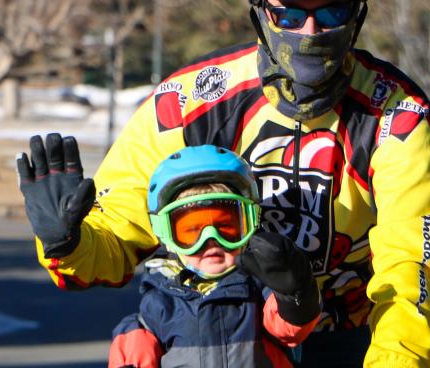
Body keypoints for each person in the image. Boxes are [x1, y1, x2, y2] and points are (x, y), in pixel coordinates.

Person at [16, 0, 430, 366]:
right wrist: (66, 244)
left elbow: (411, 267)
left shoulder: (397, 114)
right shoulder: (190, 103)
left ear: (358, 13)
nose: (310, 32)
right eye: (290, 15)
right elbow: (119, 233)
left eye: (333, 11)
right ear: (259, 13)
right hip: (228, 330)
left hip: (349, 336)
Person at [106, 145, 320, 367]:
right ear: (165, 232)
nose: (211, 240)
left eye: (226, 227)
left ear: (249, 222)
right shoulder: (159, 306)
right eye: (191, 231)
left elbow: (292, 329)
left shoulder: (259, 290)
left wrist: (294, 290)